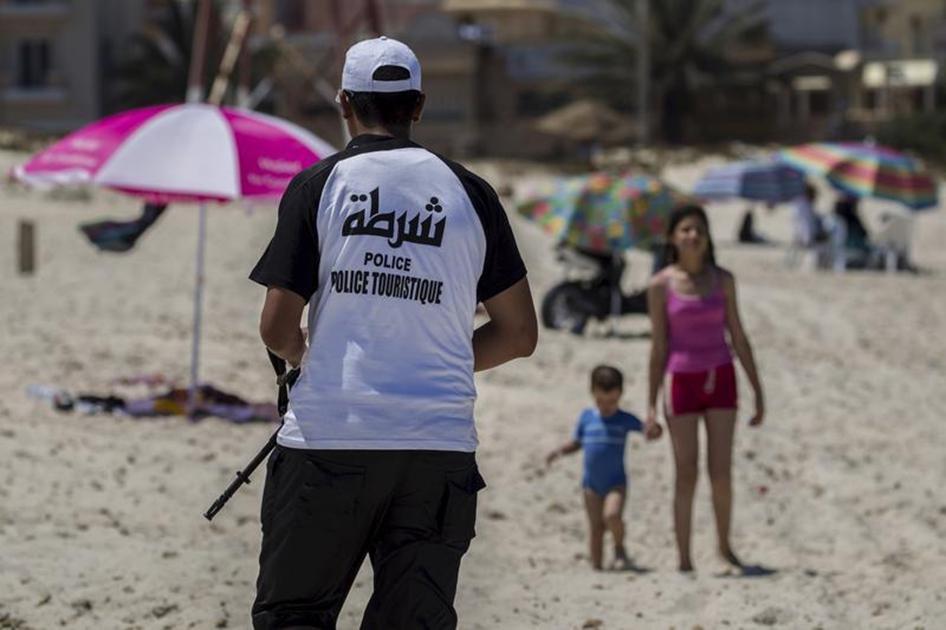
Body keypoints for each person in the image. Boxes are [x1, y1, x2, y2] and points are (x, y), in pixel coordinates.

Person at [248, 36, 537, 629]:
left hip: (332, 439)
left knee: (295, 616)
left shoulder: (318, 186)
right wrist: (435, 357)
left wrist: (312, 355)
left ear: (344, 103)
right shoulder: (472, 193)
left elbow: (277, 328)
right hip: (436, 448)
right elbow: (518, 333)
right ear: (419, 105)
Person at [645, 204, 764, 573]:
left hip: (722, 380)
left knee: (721, 471)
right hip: (681, 382)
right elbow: (659, 346)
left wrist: (758, 390)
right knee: (686, 472)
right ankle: (684, 557)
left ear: (708, 236)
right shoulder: (660, 285)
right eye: (685, 230)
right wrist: (649, 405)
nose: (692, 236)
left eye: (699, 229)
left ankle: (724, 547)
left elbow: (739, 336)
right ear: (672, 238)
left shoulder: (724, 280)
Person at [545, 365, 659, 571]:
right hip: (590, 485)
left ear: (620, 394)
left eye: (612, 401)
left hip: (616, 482)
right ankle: (597, 569)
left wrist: (655, 428)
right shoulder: (587, 418)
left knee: (612, 516)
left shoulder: (624, 419)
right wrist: (559, 451)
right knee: (595, 529)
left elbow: (649, 432)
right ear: (592, 393)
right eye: (601, 401)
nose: (606, 406)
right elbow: (577, 442)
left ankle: (619, 547)